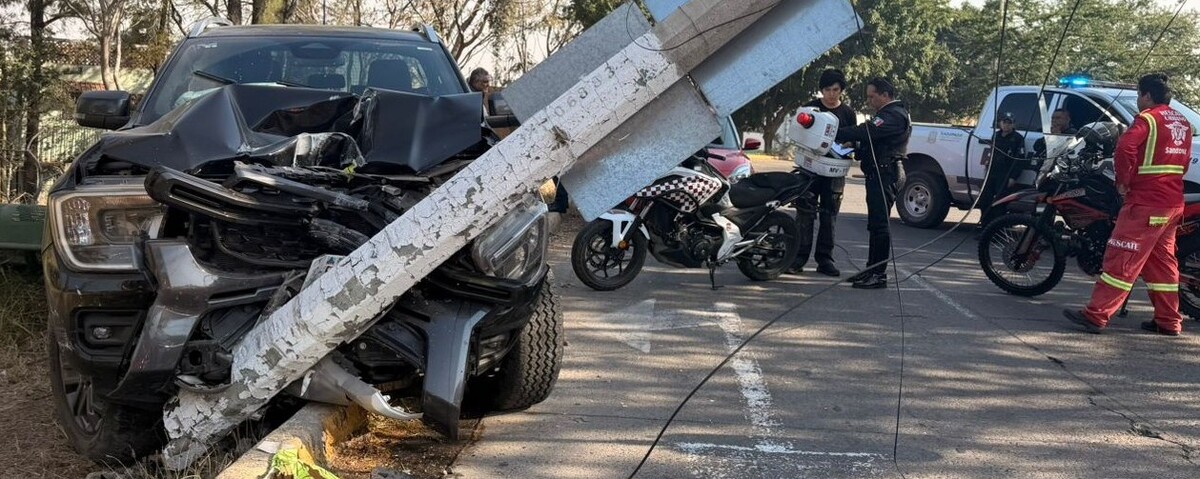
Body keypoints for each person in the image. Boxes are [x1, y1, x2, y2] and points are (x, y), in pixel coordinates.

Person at [1063, 73, 1192, 336]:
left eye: (1138, 95)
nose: (1137, 100)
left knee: (1121, 258)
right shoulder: (1183, 122)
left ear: (1147, 95)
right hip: (1171, 203)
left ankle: (1096, 316)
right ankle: (1169, 321)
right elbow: (1185, 161)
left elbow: (1124, 148)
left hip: (1145, 203)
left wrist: (1123, 181)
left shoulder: (1148, 119)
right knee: (1162, 264)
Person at [836, 78, 912, 289]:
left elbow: (868, 131)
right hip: (879, 173)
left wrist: (836, 131)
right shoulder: (887, 114)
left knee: (880, 226)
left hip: (886, 173)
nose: (870, 101)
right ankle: (871, 269)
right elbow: (871, 140)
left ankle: (879, 274)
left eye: (872, 96)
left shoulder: (894, 115)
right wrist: (856, 144)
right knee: (875, 225)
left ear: (885, 95)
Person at [790, 69, 856, 277]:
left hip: (834, 169)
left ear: (841, 90)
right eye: (827, 90)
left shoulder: (848, 113)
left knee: (829, 216)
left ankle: (825, 259)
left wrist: (848, 143)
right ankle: (798, 258)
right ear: (821, 90)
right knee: (804, 214)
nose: (831, 94)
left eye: (835, 90)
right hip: (809, 168)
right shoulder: (811, 108)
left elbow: (853, 139)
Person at [977, 114, 1027, 225]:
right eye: (1004, 122)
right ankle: (985, 226)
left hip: (1005, 174)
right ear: (1000, 123)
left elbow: (1020, 159)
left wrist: (1013, 177)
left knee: (1000, 202)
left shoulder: (1017, 138)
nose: (1006, 125)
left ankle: (997, 228)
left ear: (1013, 124)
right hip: (992, 172)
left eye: (1009, 123)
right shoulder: (996, 135)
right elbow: (990, 153)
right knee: (985, 200)